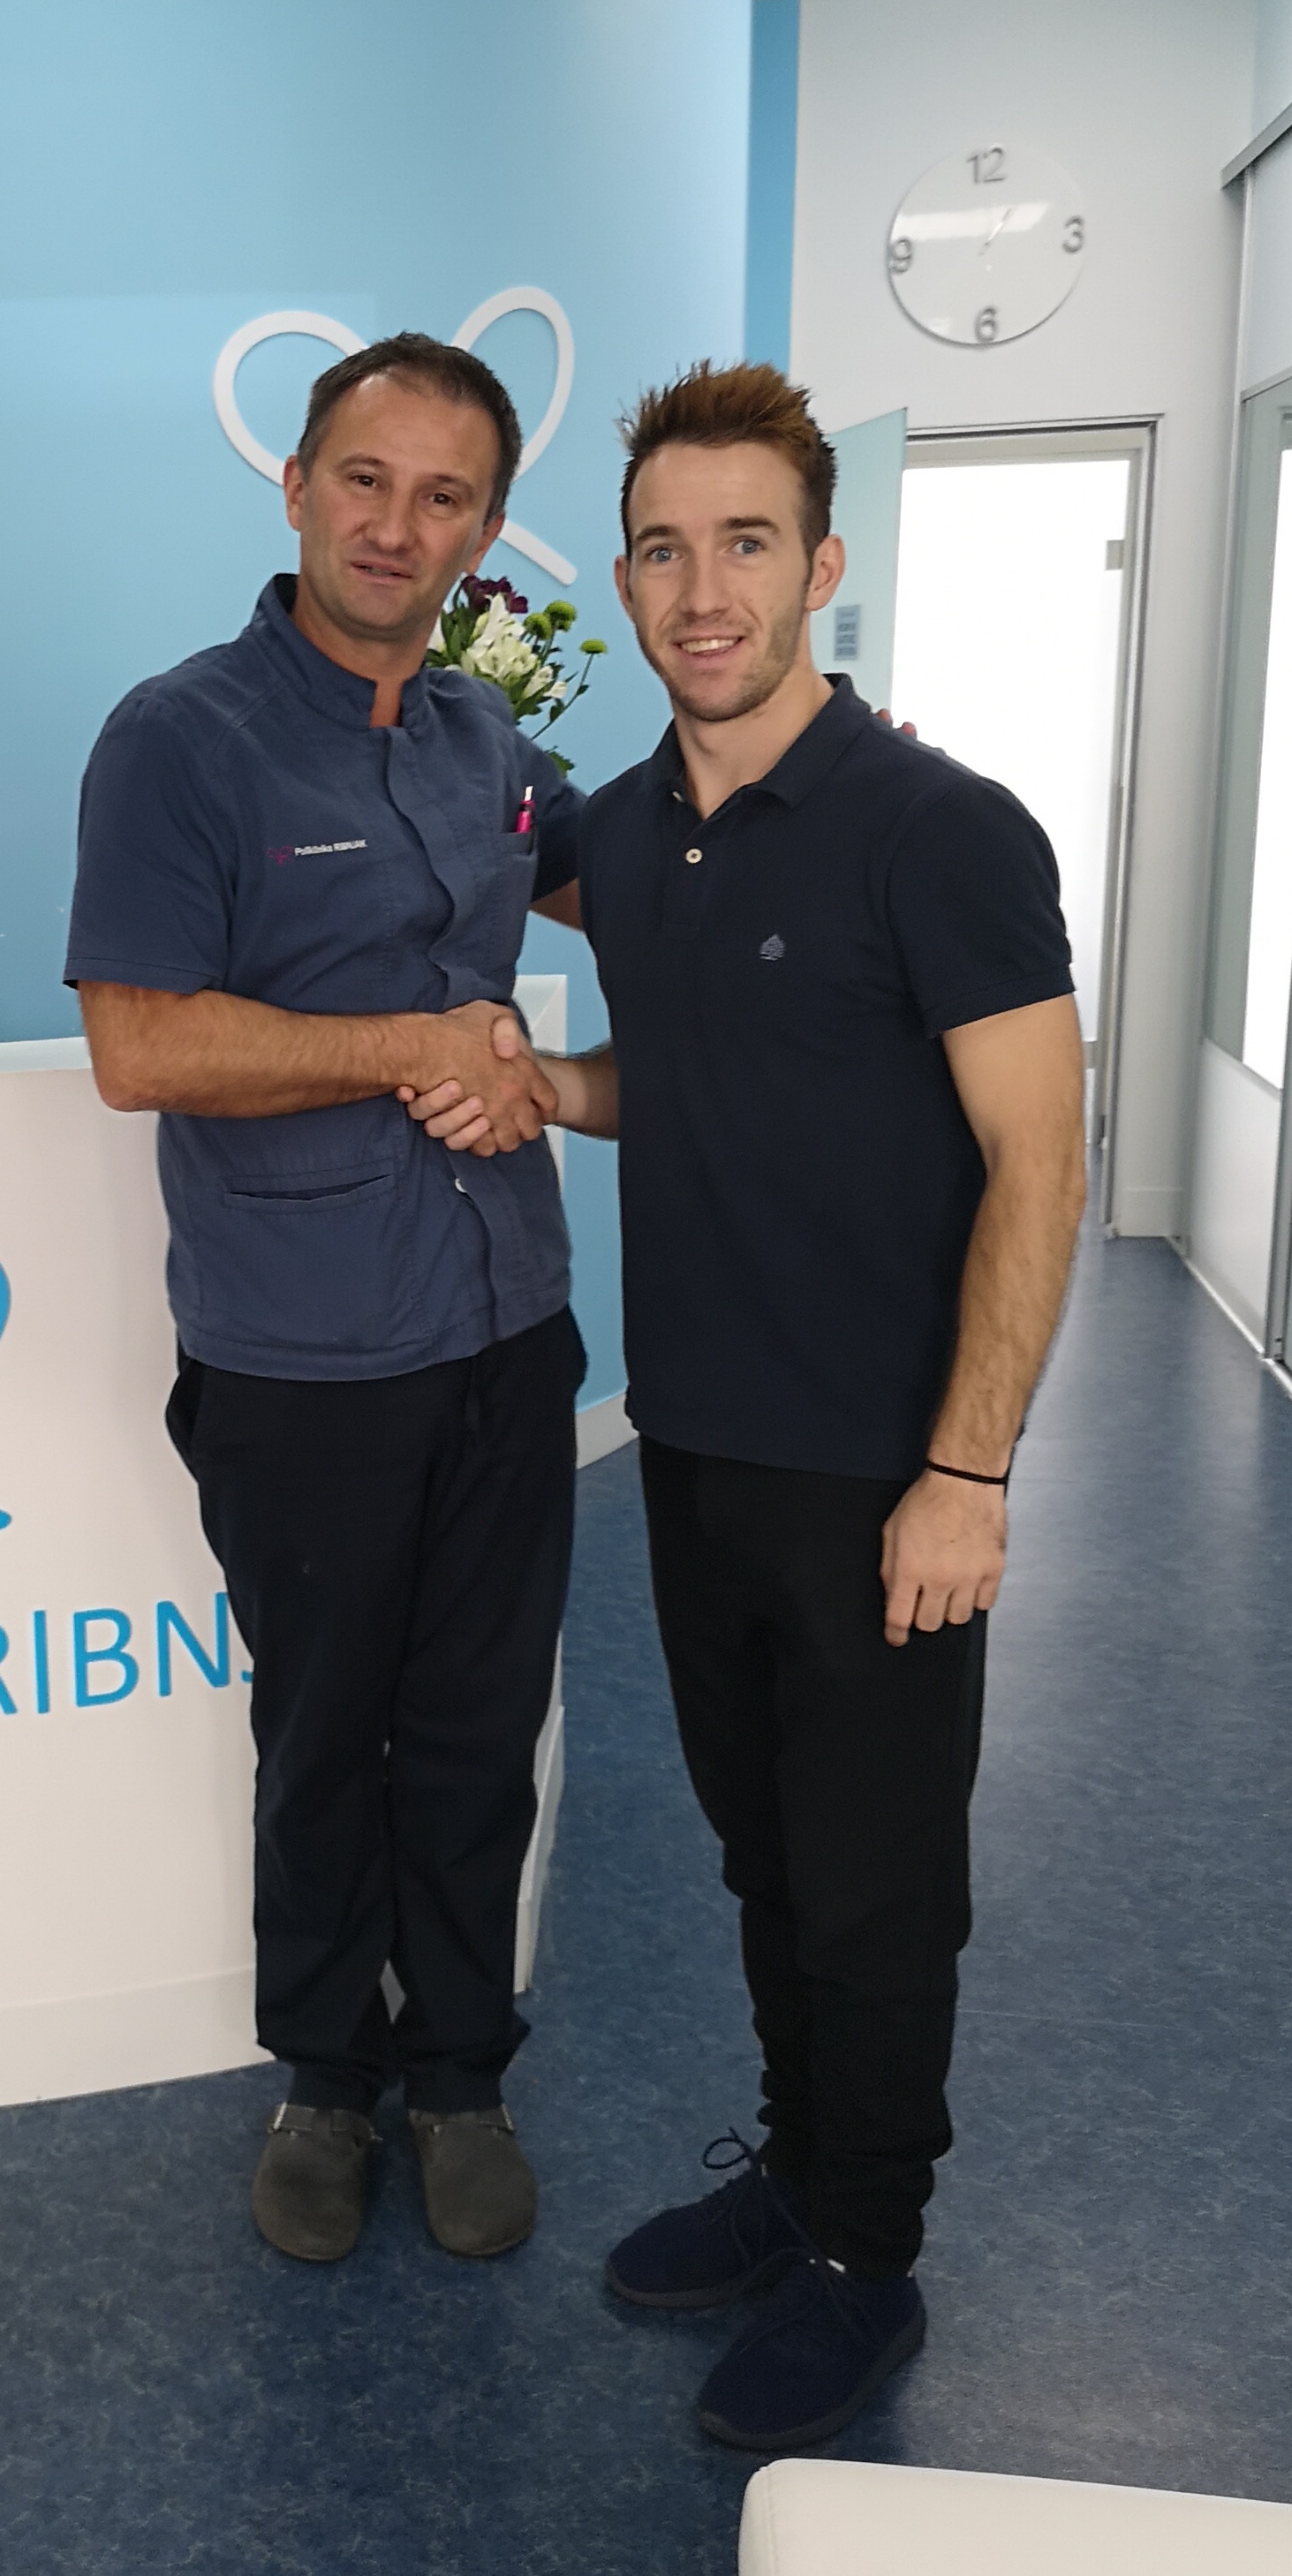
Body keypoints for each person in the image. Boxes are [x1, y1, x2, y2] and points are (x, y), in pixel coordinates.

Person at [406, 359, 1084, 2449]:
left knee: (876, 1889)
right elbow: (692, 1074)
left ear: (819, 563)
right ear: (621, 579)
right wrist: (551, 1084)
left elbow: (1041, 1163)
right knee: (764, 1859)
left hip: (886, 1468)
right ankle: (797, 2175)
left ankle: (866, 2255)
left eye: (746, 544)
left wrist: (966, 1469)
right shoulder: (623, 834)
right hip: (693, 1449)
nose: (703, 591)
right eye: (665, 550)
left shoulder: (942, 831)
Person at [66, 334, 587, 2267]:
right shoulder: (181, 739)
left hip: (506, 1320)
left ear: (483, 530)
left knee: (476, 1724)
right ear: (295, 486)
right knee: (323, 1736)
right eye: (364, 479)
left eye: (444, 496)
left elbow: (643, 875)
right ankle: (324, 2079)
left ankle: (457, 2073)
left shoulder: (481, 739)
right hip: (303, 1350)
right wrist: (408, 1047)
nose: (396, 525)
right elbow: (140, 1043)